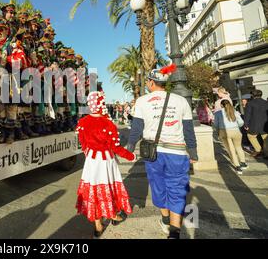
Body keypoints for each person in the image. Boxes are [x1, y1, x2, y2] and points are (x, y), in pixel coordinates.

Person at [126, 64, 198, 239]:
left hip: (154, 153)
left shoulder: (142, 101)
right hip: (178, 153)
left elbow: (136, 128)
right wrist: (193, 152)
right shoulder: (181, 100)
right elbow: (189, 129)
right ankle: (174, 231)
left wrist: (130, 147)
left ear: (151, 83)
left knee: (158, 186)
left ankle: (165, 219)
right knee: (176, 189)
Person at [75, 91, 136, 239]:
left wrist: (89, 153)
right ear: (101, 103)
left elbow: (82, 143)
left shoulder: (82, 122)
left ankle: (98, 226)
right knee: (108, 187)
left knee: (94, 190)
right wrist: (131, 156)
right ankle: (113, 214)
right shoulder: (108, 124)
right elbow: (116, 148)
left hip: (91, 161)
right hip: (105, 162)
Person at [214, 100, 247, 174]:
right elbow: (241, 122)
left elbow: (216, 124)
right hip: (236, 130)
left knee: (230, 149)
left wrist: (217, 132)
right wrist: (236, 126)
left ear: (221, 105)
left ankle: (237, 166)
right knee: (239, 147)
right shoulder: (234, 111)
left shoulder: (218, 113)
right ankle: (243, 163)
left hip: (224, 131)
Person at [244, 89, 268, 159]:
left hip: (253, 125)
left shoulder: (250, 103)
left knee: (251, 136)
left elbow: (247, 115)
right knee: (266, 139)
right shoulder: (266, 102)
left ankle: (258, 150)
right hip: (265, 126)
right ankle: (266, 153)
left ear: (253, 95)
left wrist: (246, 124)